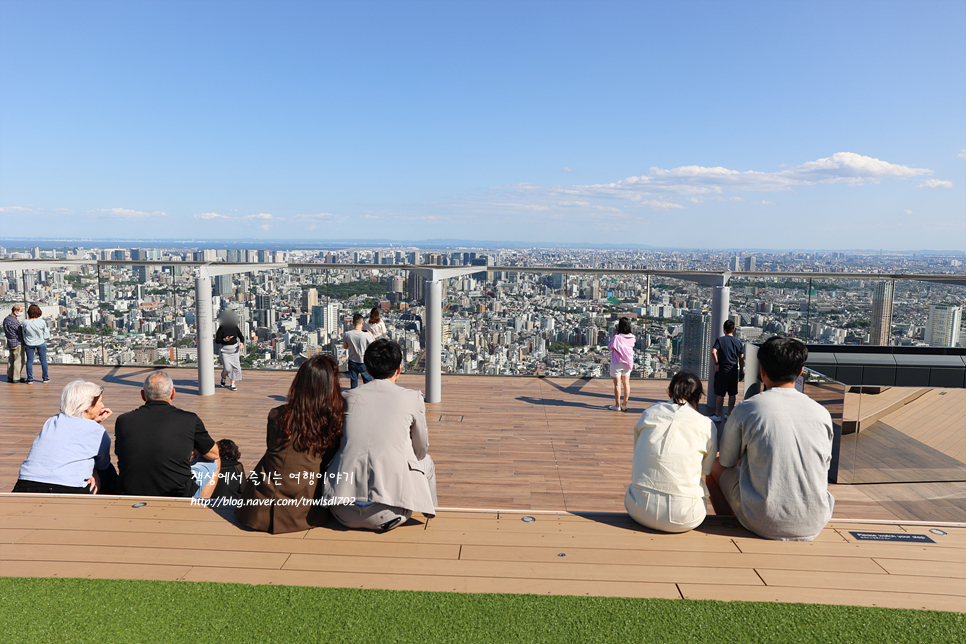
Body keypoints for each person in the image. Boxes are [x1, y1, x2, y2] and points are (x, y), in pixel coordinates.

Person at [707, 336, 835, 541]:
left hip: (761, 519)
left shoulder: (748, 409)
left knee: (714, 465)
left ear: (762, 372)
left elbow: (727, 461)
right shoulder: (821, 413)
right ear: (800, 371)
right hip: (815, 519)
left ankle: (729, 523)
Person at [323, 338, 436, 532]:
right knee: (427, 461)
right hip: (390, 514)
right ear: (398, 369)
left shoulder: (346, 398)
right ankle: (427, 508)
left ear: (366, 368)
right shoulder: (412, 398)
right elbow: (420, 449)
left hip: (341, 512)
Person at [236, 355, 345, 533]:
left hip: (257, 506)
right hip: (304, 508)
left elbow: (271, 446)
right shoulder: (334, 421)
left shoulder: (277, 414)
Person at [625, 371, 716, 533]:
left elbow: (638, 451)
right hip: (684, 517)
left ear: (669, 392)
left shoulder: (649, 413)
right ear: (699, 397)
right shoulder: (706, 425)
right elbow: (706, 470)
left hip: (637, 509)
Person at [114, 370, 220, 497]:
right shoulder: (189, 419)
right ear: (173, 393)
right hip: (177, 493)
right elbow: (213, 453)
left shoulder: (123, 420)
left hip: (130, 491)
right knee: (215, 462)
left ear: (143, 395)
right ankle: (198, 508)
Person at [13, 380, 114, 494]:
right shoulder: (97, 431)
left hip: (25, 486)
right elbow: (103, 464)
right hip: (68, 489)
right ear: (88, 407)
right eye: (100, 401)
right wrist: (94, 471)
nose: (103, 406)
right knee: (108, 471)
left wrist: (92, 422)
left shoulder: (52, 421)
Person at [709, 320, 744, 422]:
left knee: (720, 393)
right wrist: (741, 370)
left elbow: (713, 352)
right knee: (732, 393)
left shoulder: (720, 340)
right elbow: (741, 358)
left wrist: (717, 363)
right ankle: (729, 413)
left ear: (724, 330)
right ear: (734, 329)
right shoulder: (738, 342)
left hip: (722, 369)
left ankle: (717, 415)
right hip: (733, 370)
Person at [607, 317, 635, 411]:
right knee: (626, 384)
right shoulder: (632, 337)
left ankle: (617, 405)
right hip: (628, 362)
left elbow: (610, 347)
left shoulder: (617, 337)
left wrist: (614, 335)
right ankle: (624, 405)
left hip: (617, 362)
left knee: (617, 384)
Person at [214, 311, 244, 391]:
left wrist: (242, 343)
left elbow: (241, 336)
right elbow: (217, 340)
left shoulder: (235, 327)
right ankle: (223, 376)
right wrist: (224, 340)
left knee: (235, 368)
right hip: (225, 351)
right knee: (227, 368)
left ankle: (232, 384)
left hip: (234, 350)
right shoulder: (221, 328)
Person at [343, 312, 374, 389]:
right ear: (362, 323)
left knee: (354, 381)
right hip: (363, 361)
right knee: (367, 381)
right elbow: (374, 345)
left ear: (353, 323)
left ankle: (354, 396)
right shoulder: (366, 335)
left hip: (352, 361)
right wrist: (371, 335)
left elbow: (345, 347)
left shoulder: (347, 334)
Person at [21, 304, 50, 384]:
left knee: (29, 361)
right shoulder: (41, 322)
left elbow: (23, 333)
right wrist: (42, 337)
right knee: (43, 360)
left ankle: (30, 379)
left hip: (29, 343)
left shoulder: (25, 322)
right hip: (40, 342)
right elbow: (47, 334)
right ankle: (45, 378)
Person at [4, 304, 26, 383]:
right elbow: (20, 330)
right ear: (15, 311)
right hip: (17, 342)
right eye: (20, 311)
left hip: (10, 342)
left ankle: (10, 376)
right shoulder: (14, 321)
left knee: (11, 360)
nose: (21, 313)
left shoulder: (6, 319)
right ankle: (16, 377)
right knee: (19, 360)